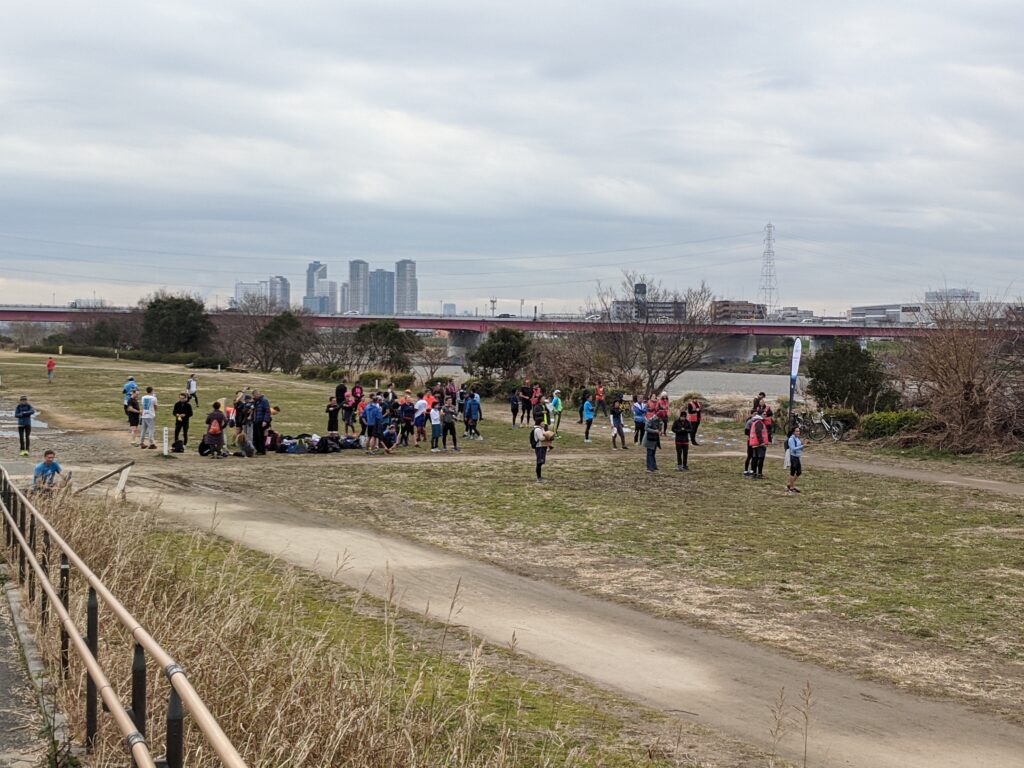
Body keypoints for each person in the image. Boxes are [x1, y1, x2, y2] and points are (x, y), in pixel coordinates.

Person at [748, 413, 769, 480]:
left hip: (755, 443)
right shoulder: (759, 422)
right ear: (760, 415)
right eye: (764, 414)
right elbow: (758, 432)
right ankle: (759, 474)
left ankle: (754, 473)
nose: (765, 415)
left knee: (755, 458)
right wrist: (762, 442)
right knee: (760, 458)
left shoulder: (755, 422)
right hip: (759, 444)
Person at [532, 418, 553, 483]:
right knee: (539, 463)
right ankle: (539, 478)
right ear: (539, 423)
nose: (544, 424)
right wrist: (548, 437)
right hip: (539, 447)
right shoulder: (538, 430)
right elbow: (541, 438)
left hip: (542, 447)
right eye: (543, 422)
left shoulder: (541, 429)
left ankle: (539, 477)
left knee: (540, 463)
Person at [252, 390, 271, 455]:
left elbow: (267, 411)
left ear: (258, 394)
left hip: (261, 421)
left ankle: (262, 450)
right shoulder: (256, 401)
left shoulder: (264, 401)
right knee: (255, 436)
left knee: (260, 437)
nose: (254, 397)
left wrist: (265, 421)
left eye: (255, 395)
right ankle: (258, 449)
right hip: (256, 420)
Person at [787, 426, 805, 493]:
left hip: (797, 457)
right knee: (793, 472)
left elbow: (800, 447)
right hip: (793, 457)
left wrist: (803, 444)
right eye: (796, 431)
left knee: (799, 472)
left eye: (799, 431)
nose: (798, 432)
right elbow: (793, 448)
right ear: (793, 432)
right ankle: (791, 487)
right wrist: (802, 446)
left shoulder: (797, 438)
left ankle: (790, 484)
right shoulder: (791, 439)